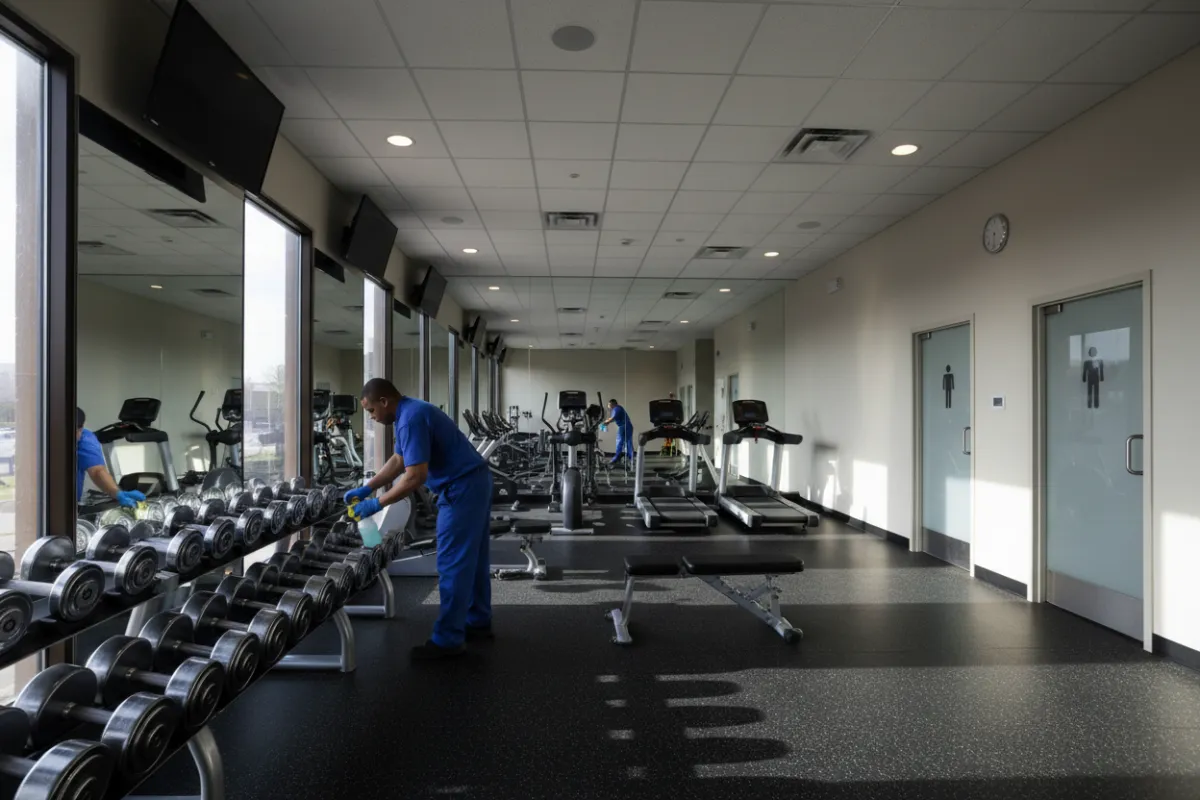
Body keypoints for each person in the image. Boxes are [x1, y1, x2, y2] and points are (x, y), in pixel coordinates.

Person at [345, 378, 492, 661]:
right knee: (473, 558)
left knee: (452, 563)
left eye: (371, 410)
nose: (372, 417)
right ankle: (478, 621)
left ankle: (448, 641)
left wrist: (375, 504)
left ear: (384, 401)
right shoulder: (410, 412)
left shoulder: (410, 418)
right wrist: (370, 486)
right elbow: (399, 461)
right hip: (474, 482)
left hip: (461, 489)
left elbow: (415, 477)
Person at [76, 407, 145, 507]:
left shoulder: (85, 438)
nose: (76, 436)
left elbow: (97, 471)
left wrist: (117, 493)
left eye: (79, 431)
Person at [602, 399, 634, 465]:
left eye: (608, 404)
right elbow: (614, 419)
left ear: (611, 404)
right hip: (627, 426)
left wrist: (606, 422)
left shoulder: (616, 408)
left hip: (624, 426)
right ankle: (631, 459)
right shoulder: (618, 408)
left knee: (620, 442)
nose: (608, 406)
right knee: (627, 442)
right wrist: (607, 421)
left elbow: (613, 418)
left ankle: (617, 458)